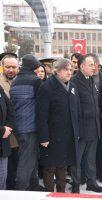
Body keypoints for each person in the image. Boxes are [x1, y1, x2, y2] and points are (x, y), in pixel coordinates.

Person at [36, 58, 80, 192]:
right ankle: (49, 193)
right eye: (65, 69)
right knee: (50, 167)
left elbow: (76, 110)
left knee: (63, 165)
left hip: (68, 134)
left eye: (71, 70)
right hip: (52, 135)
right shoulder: (47, 87)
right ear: (57, 71)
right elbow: (41, 114)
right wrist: (43, 137)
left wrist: (77, 131)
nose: (69, 72)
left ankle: (61, 193)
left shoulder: (71, 86)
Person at [70, 55, 102, 193]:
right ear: (81, 66)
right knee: (77, 158)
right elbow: (73, 108)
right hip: (81, 128)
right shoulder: (74, 81)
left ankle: (91, 182)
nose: (94, 67)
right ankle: (76, 184)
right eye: (90, 65)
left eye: (94, 65)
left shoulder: (91, 80)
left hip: (93, 127)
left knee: (91, 158)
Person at [10, 54, 44, 191]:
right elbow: (41, 105)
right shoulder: (35, 81)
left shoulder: (16, 80)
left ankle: (34, 185)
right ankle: (21, 190)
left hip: (18, 126)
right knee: (26, 161)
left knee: (29, 157)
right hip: (30, 127)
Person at [0, 53, 19, 190]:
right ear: (2, 67)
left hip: (16, 128)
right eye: (7, 67)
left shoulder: (22, 80)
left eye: (13, 67)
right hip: (5, 133)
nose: (11, 70)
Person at [0, 85, 14, 190]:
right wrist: (2, 130)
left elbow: (10, 109)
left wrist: (8, 127)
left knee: (2, 181)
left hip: (3, 143)